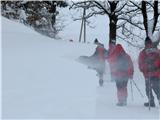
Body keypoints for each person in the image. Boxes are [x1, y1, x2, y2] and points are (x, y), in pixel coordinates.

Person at [138, 37, 160, 107]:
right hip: (157, 73)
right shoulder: (157, 50)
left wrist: (144, 68)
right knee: (157, 88)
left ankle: (151, 102)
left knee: (148, 89)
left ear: (145, 43)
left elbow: (140, 63)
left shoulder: (143, 52)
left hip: (148, 74)